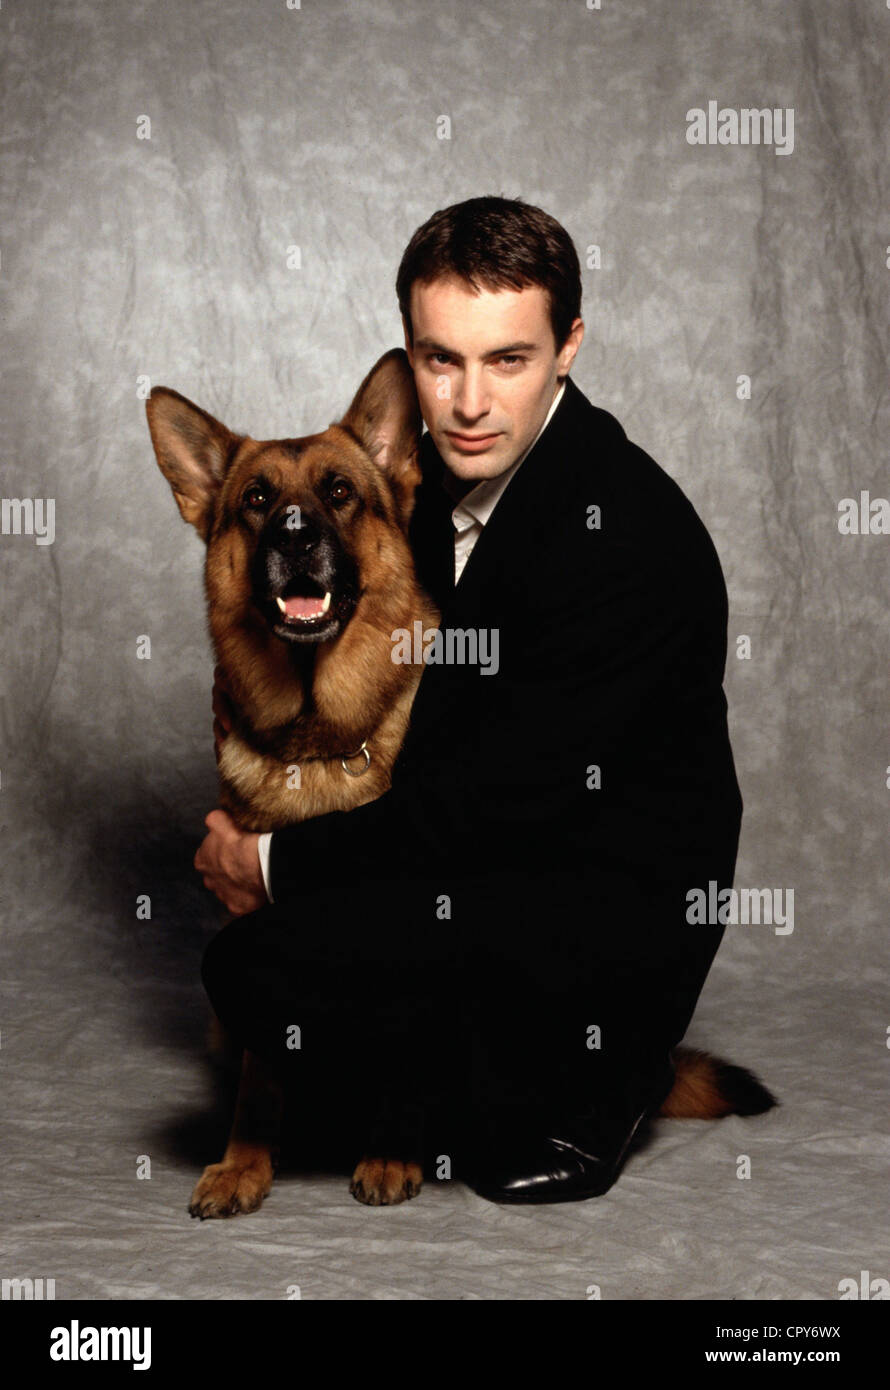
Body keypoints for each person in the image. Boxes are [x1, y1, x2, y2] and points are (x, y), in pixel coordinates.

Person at [195, 195, 742, 1203]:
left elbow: (488, 804)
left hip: (588, 918)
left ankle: (598, 1090)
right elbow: (330, 619)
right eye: (439, 361)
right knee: (254, 971)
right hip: (474, 866)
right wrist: (256, 700)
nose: (468, 403)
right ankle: (431, 1072)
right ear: (409, 354)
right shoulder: (430, 488)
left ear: (567, 346)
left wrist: (264, 858)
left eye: (507, 359)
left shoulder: (624, 538)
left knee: (296, 965)